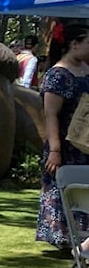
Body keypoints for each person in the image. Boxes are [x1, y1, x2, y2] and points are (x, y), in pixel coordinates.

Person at [36, 24, 89, 249]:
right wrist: (55, 150)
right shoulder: (57, 75)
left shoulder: (86, 69)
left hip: (85, 142)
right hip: (65, 146)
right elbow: (51, 115)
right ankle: (68, 240)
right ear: (74, 44)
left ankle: (85, 238)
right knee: (65, 191)